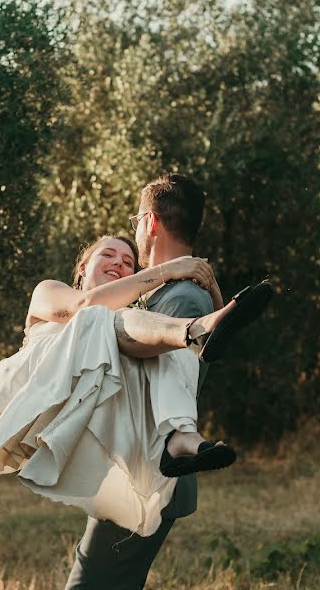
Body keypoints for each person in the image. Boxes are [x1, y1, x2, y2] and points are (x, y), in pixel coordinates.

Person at [0, 233, 242, 537]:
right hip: (42, 394)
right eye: (107, 255)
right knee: (110, 318)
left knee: (156, 340)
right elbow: (84, 304)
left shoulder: (126, 326)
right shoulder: (51, 290)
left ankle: (181, 434)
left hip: (95, 402)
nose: (118, 263)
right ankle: (194, 330)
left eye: (127, 263)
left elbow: (208, 353)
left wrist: (211, 287)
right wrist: (169, 270)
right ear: (82, 267)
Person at [64, 173, 250, 589]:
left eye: (134, 224)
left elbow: (169, 374)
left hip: (147, 474)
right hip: (132, 465)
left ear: (149, 223)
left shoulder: (180, 298)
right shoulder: (168, 293)